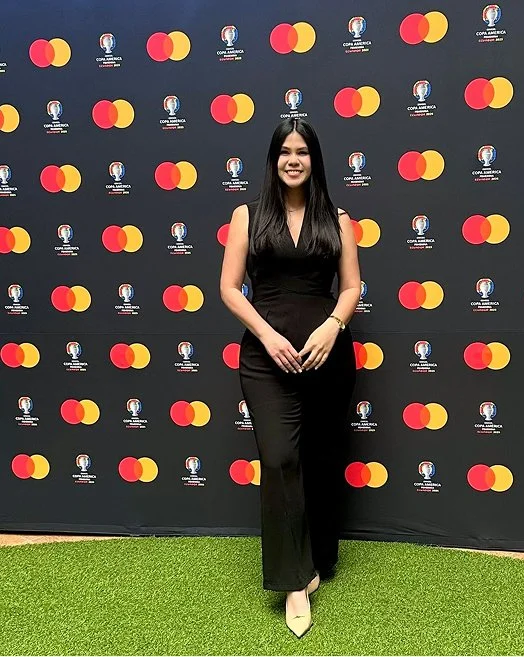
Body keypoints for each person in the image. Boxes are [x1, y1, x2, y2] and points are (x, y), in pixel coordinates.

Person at [220, 118, 361, 638]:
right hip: (267, 361)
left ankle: (318, 558)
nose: (293, 160)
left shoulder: (338, 219)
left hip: (327, 359)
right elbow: (229, 287)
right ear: (273, 158)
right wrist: (267, 335)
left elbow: (352, 286)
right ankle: (293, 583)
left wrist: (332, 326)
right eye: (285, 151)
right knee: (280, 459)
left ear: (314, 159)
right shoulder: (248, 215)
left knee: (319, 462)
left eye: (302, 151)